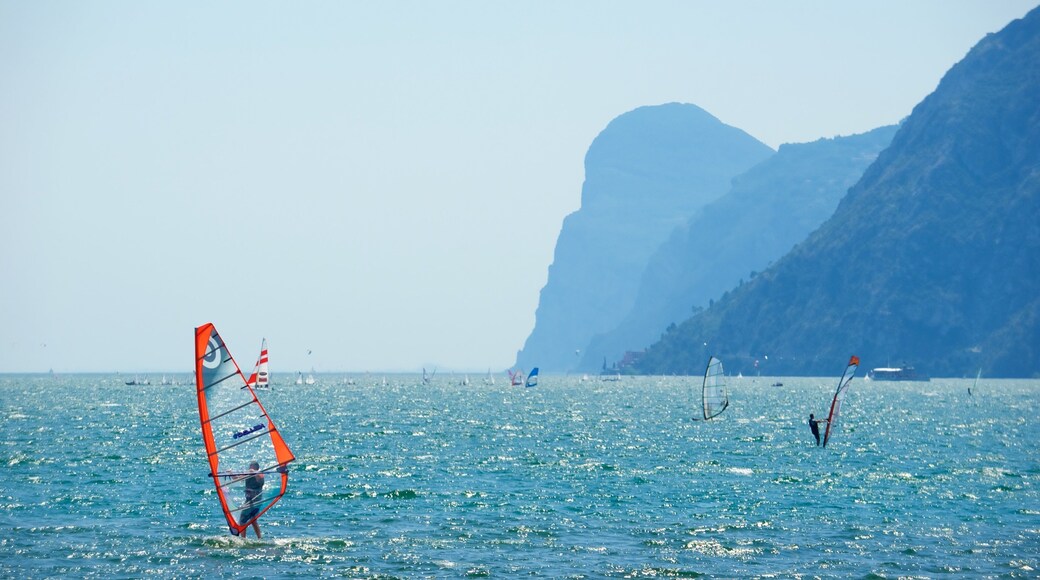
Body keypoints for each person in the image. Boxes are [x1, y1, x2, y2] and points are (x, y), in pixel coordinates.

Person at [236, 461, 265, 539]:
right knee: (253, 520)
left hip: (256, 501)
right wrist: (231, 473)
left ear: (256, 468)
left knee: (242, 519)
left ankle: (243, 539)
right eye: (250, 467)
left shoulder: (260, 475)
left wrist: (254, 472)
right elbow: (238, 478)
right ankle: (260, 538)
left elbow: (260, 476)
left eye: (251, 467)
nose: (250, 468)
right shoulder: (248, 475)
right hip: (249, 501)